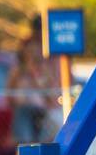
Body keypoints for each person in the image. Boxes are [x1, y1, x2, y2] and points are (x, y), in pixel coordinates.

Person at [7, 15, 61, 145]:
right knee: (26, 143)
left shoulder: (50, 58)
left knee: (47, 139)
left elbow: (50, 93)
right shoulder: (21, 69)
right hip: (26, 109)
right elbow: (11, 91)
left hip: (44, 111)